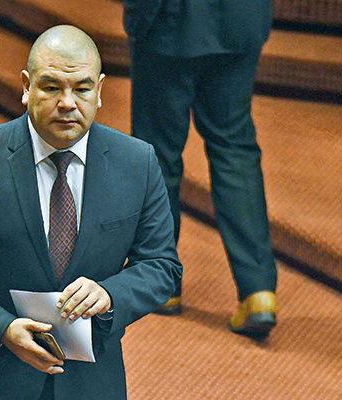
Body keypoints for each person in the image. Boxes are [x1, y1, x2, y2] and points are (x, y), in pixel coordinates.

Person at [0, 25, 182, 400]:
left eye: (82, 89)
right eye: (52, 87)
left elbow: (162, 265)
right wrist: (1, 327)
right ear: (26, 86)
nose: (68, 103)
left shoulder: (138, 164)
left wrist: (110, 294)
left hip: (91, 383)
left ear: (100, 91)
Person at [123, 0, 278, 338]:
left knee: (158, 153)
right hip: (240, 19)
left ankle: (161, 281)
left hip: (168, 21)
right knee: (234, 148)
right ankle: (258, 291)